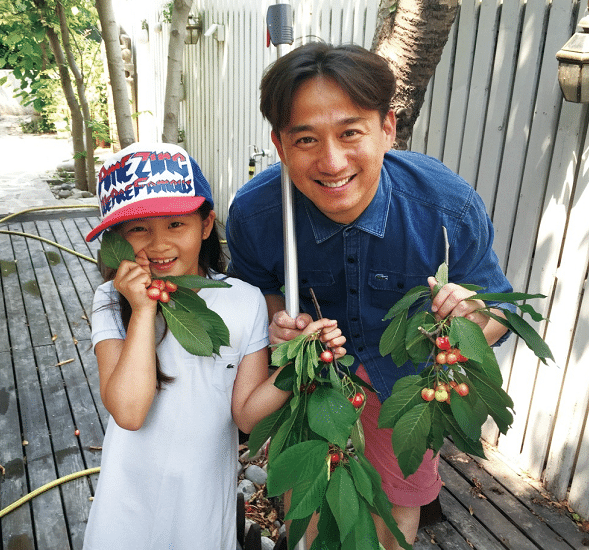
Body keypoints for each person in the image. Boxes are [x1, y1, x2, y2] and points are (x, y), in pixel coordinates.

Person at [225, 42, 514, 549]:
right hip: (311, 388)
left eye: (350, 132)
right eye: (307, 139)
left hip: (405, 390)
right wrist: (278, 322)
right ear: (279, 145)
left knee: (393, 516)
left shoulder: (444, 206)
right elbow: (256, 291)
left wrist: (470, 319)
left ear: (388, 128)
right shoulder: (256, 214)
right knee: (312, 517)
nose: (332, 161)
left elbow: (501, 310)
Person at [82, 142, 346, 550]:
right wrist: (141, 311)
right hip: (128, 497)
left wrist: (300, 361)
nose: (159, 245)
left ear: (205, 225)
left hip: (203, 501)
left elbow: (246, 417)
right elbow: (129, 412)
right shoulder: (110, 301)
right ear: (116, 238)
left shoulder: (243, 300)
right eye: (138, 229)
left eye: (176, 224)